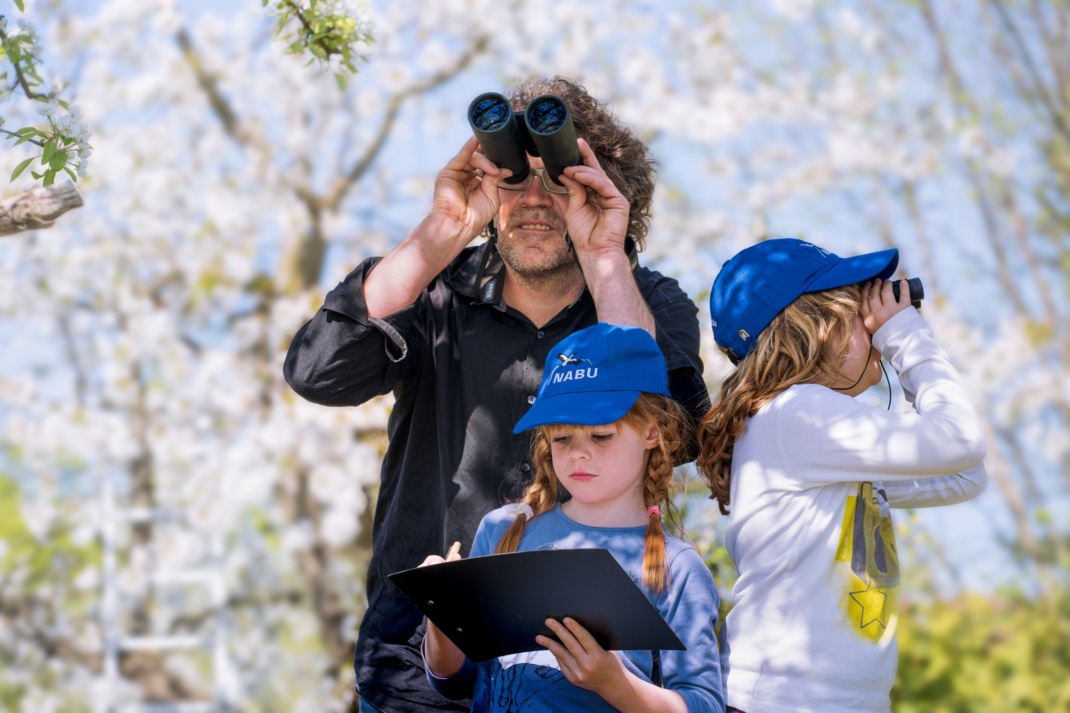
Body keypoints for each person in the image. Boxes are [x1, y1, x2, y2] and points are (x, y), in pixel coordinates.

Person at [283, 77, 709, 713]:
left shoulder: (647, 301)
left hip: (587, 668)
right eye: (515, 179)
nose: (534, 200)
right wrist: (444, 228)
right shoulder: (432, 294)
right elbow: (318, 371)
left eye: (558, 182)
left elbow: (674, 432)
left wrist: (605, 258)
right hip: (420, 653)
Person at [696, 238, 987, 713]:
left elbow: (966, 473)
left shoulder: (811, 435)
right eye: (860, 310)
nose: (877, 326)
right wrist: (907, 339)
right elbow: (960, 441)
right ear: (816, 328)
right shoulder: (798, 414)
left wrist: (899, 342)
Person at [421, 323, 725, 713]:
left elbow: (705, 704)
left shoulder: (677, 568)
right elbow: (457, 682)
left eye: (600, 436)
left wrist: (617, 685)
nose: (578, 454)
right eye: (561, 438)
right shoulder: (502, 530)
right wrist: (440, 623)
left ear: (653, 431)